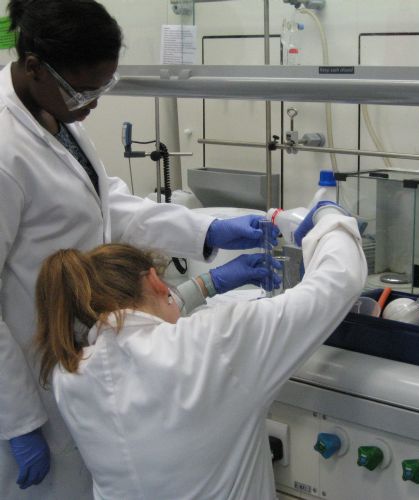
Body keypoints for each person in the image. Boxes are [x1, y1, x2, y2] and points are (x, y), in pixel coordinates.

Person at [0, 0, 278, 497]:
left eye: (103, 88)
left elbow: (108, 207)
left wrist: (207, 231)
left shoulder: (55, 113)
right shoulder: (5, 149)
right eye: (84, 90)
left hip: (79, 361)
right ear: (35, 68)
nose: (93, 104)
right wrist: (17, 419)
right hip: (31, 383)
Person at [34, 203, 367, 500]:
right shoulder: (215, 340)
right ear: (155, 282)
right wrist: (330, 218)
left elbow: (137, 327)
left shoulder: (70, 373)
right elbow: (338, 281)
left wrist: (207, 285)